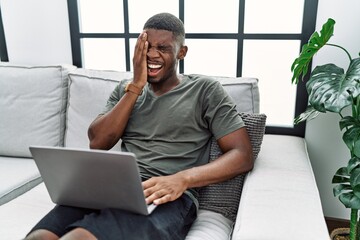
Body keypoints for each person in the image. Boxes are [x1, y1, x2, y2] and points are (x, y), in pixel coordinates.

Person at [25, 12, 253, 240]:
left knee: (79, 238)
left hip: (168, 196)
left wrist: (183, 179)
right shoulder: (127, 90)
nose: (152, 55)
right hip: (113, 188)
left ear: (181, 52)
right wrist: (136, 85)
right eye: (147, 47)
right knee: (40, 237)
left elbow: (242, 155)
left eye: (163, 48)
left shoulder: (205, 90)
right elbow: (98, 143)